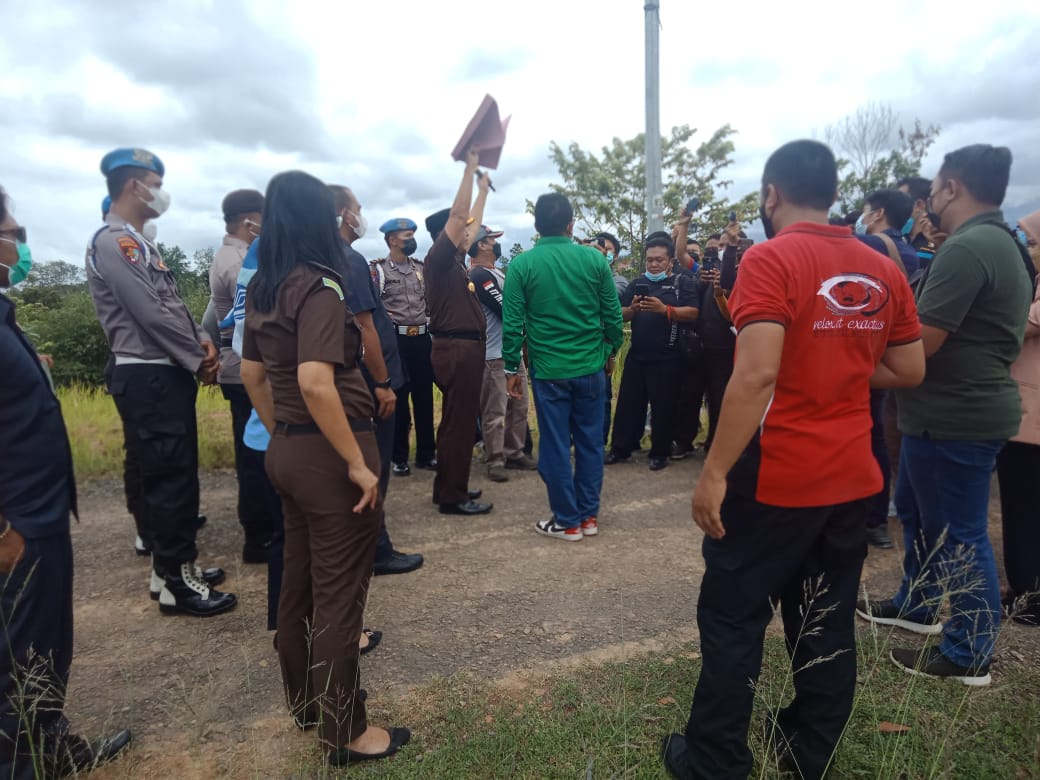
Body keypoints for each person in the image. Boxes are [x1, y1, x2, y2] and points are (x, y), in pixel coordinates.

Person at [662, 140, 923, 780]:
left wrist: (714, 473)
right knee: (825, 620)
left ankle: (715, 760)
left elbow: (754, 377)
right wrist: (844, 366)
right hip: (850, 477)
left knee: (733, 615)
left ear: (771, 194)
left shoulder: (770, 259)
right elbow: (910, 368)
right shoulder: (880, 265)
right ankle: (806, 751)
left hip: (777, 475)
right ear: (835, 194)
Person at [239, 170, 410, 767]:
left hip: (286, 449)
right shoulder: (321, 287)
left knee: (298, 588)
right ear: (320, 219)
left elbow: (254, 374)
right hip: (329, 456)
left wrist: (282, 428)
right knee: (340, 596)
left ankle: (306, 705)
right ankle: (346, 730)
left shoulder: (263, 286)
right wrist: (356, 464)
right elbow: (316, 380)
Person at [858, 144, 1033, 686]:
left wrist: (847, 363)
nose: (927, 201)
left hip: (958, 416)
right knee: (917, 512)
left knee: (960, 533)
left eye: (932, 190)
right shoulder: (995, 243)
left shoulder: (969, 248)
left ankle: (969, 651)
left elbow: (922, 343)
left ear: (952, 188)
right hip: (938, 413)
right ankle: (918, 603)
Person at [1, 185, 133, 778]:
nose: (17, 240)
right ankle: (29, 763)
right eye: (9, 228)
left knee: (42, 645)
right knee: (22, 652)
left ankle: (50, 744)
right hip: (18, 522)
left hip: (37, 513)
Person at [85, 148, 235, 617]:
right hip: (149, 373)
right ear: (135, 187)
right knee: (170, 480)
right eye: (155, 183)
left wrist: (200, 342)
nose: (160, 193)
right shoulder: (116, 242)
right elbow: (148, 312)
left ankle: (165, 568)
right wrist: (198, 357)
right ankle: (178, 582)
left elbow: (169, 306)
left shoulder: (137, 241)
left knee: (170, 473)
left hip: (161, 370)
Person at [503, 193, 624, 541]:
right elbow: (613, 316)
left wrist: (512, 368)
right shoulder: (594, 260)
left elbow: (513, 326)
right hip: (591, 368)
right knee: (590, 443)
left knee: (555, 445)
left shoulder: (522, 265)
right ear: (571, 225)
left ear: (537, 226)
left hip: (550, 372)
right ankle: (588, 517)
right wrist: (611, 350)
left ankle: (567, 520)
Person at [330, 184, 424, 576]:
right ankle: (374, 549)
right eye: (356, 209)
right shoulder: (351, 262)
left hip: (353, 376)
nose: (359, 216)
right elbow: (366, 326)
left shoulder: (319, 258)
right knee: (374, 466)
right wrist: (383, 383)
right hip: (372, 379)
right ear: (341, 215)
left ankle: (360, 544)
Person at [209, 189, 280, 564]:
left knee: (253, 451)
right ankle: (259, 535)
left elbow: (210, 318)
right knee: (255, 456)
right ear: (250, 220)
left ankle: (261, 529)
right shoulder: (240, 260)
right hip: (248, 369)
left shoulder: (230, 256)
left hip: (239, 365)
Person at [425, 151, 494, 515]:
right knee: (458, 424)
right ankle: (452, 496)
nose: (470, 233)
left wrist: (483, 190)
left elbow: (472, 221)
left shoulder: (454, 263)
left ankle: (451, 488)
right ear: (446, 235)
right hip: (457, 350)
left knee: (460, 421)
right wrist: (469, 170)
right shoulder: (438, 259)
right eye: (463, 231)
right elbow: (458, 217)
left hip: (465, 349)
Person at [854, 188, 920, 550]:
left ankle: (852, 512)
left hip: (859, 352)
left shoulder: (868, 246)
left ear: (878, 213)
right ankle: (877, 520)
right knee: (877, 433)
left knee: (854, 432)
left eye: (866, 211)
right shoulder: (911, 251)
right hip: (893, 353)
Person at [606, 232, 699, 470]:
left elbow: (693, 312)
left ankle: (660, 452)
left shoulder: (682, 283)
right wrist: (634, 309)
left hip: (668, 356)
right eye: (650, 260)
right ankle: (621, 448)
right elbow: (620, 315)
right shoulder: (637, 284)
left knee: (664, 407)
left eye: (659, 260)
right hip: (638, 354)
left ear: (670, 261)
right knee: (628, 405)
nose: (654, 264)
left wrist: (665, 310)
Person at [467, 224, 536, 483]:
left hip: (511, 352)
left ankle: (514, 452)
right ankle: (495, 458)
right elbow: (506, 309)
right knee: (495, 411)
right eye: (492, 240)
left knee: (518, 407)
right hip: (493, 355)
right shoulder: (478, 276)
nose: (497, 243)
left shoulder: (498, 273)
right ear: (482, 244)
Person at [998, 208, 1040, 626]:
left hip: (1030, 424)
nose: (1028, 251)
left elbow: (1015, 325)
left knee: (1024, 508)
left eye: (1032, 242)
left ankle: (1031, 597)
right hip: (1026, 419)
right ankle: (1023, 587)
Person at [372, 218, 436, 476]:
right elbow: (374, 309)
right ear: (392, 240)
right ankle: (398, 457)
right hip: (396, 342)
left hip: (421, 339)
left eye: (412, 235)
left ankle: (426, 454)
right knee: (398, 399)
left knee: (424, 398)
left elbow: (428, 302)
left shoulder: (421, 268)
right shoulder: (378, 271)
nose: (411, 240)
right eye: (407, 235)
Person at [585, 231, 626, 445]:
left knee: (601, 399)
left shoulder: (618, 280)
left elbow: (610, 300)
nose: (603, 253)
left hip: (602, 351)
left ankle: (599, 444)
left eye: (608, 250)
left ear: (615, 256)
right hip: (579, 349)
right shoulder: (577, 276)